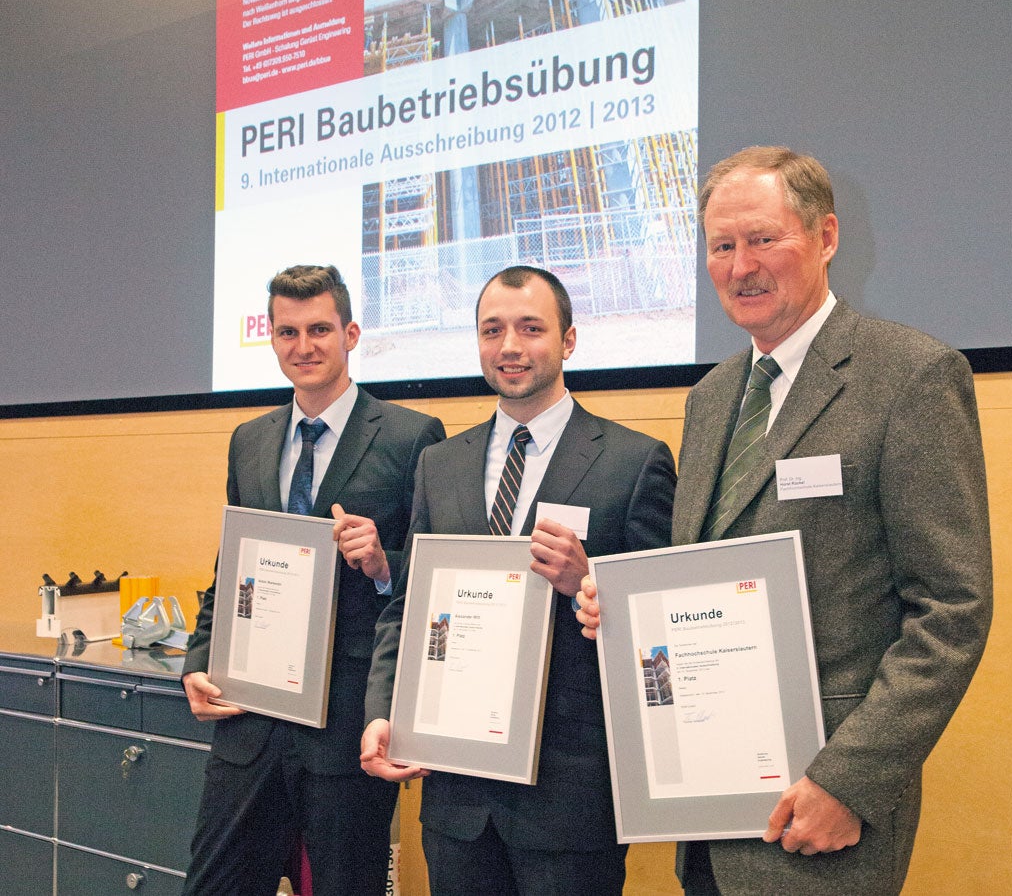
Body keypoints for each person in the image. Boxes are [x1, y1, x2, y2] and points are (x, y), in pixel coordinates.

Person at [577, 147, 992, 895]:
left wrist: (848, 781)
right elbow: (700, 577)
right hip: (707, 805)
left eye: (764, 239)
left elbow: (950, 611)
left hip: (824, 814)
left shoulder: (910, 378)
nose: (740, 266)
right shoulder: (710, 398)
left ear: (826, 237)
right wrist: (629, 614)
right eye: (721, 246)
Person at [357, 265, 676, 895]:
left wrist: (592, 583)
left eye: (531, 328)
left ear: (569, 340)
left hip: (569, 796)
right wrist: (384, 708)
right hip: (456, 796)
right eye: (492, 330)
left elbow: (663, 623)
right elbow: (409, 607)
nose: (510, 346)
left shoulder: (635, 462)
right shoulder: (439, 464)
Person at [181, 264, 445, 895]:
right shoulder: (250, 440)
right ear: (271, 339)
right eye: (288, 332)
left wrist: (383, 564)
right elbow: (231, 569)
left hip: (345, 724)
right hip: (249, 718)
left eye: (320, 329)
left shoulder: (413, 437)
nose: (304, 346)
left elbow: (431, 584)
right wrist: (198, 657)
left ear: (350, 333)